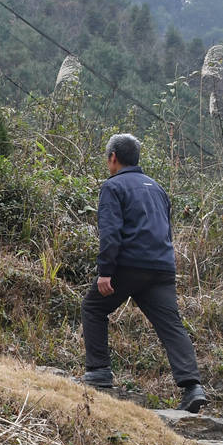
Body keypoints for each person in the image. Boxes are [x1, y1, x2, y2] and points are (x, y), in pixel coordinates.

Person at [80, 133, 207, 413]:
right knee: (171, 325)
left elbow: (110, 233)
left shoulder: (113, 187)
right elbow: (166, 230)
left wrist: (105, 272)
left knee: (93, 307)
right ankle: (192, 387)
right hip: (161, 267)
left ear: (113, 157)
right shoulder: (158, 188)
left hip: (128, 265)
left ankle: (99, 373)